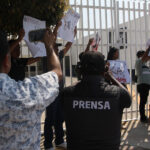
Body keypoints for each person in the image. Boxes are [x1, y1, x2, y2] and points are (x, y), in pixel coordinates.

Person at [0, 29, 62, 150]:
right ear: (7, 61)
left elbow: (37, 59)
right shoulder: (27, 93)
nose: (18, 51)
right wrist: (49, 46)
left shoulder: (19, 62)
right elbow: (57, 73)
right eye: (16, 48)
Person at [61, 51, 131, 150]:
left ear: (79, 70)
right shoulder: (117, 94)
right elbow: (128, 98)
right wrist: (112, 78)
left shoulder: (67, 93)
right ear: (105, 70)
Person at [44, 22, 77, 150]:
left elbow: (68, 45)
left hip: (60, 92)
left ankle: (59, 140)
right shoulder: (46, 57)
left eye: (58, 48)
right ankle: (47, 144)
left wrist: (73, 35)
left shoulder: (59, 56)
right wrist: (56, 28)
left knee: (60, 117)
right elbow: (51, 41)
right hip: (49, 93)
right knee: (50, 119)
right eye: (55, 47)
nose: (58, 49)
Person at [135, 48, 150, 123]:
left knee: (144, 100)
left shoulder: (145, 64)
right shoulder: (139, 62)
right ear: (140, 56)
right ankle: (143, 118)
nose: (147, 56)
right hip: (142, 85)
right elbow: (145, 57)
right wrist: (149, 48)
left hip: (147, 85)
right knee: (143, 101)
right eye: (144, 54)